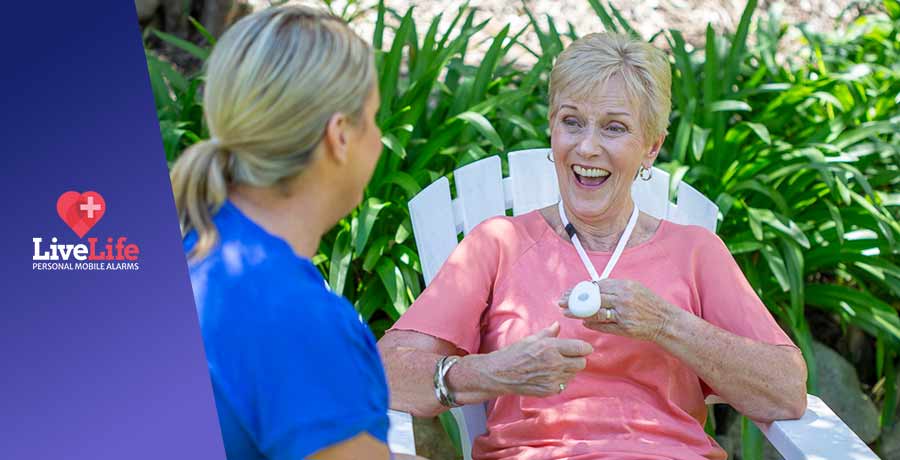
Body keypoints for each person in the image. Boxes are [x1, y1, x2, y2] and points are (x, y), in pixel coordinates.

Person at [378, 33, 808, 460]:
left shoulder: (696, 252)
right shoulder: (499, 244)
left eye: (614, 128)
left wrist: (665, 324)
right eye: (571, 122)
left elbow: (786, 391)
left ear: (651, 147)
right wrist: (493, 372)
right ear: (552, 129)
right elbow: (380, 373)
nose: (586, 147)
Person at [171, 6, 411, 459]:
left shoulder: (196, 242)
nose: (379, 137)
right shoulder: (301, 323)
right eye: (374, 116)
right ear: (339, 136)